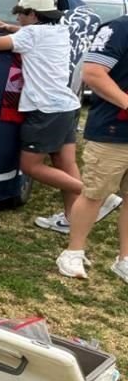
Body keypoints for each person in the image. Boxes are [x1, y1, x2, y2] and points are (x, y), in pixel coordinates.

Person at [0, 0, 105, 233]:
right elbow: (31, 36)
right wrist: (9, 27)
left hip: (44, 109)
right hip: (65, 105)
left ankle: (94, 196)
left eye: (22, 13)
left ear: (34, 15)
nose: (18, 16)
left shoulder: (31, 34)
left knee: (30, 166)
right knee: (64, 163)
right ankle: (71, 218)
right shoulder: (59, 31)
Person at [57, 15, 128, 280]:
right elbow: (93, 72)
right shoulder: (119, 29)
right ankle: (73, 252)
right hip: (114, 131)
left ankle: (125, 258)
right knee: (95, 193)